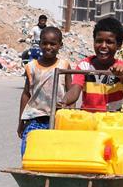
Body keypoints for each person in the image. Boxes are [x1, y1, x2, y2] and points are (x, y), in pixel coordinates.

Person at [17, 26, 80, 155]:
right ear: (39, 43)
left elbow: (71, 91)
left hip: (59, 118)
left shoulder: (64, 66)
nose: (48, 47)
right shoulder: (31, 67)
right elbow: (26, 94)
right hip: (36, 118)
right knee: (29, 151)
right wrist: (21, 121)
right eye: (44, 43)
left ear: (60, 45)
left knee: (55, 153)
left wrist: (71, 115)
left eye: (53, 44)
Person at [71, 17, 123, 112]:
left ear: (118, 45)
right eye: (99, 41)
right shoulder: (84, 66)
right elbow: (75, 89)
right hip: (87, 120)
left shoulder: (121, 68)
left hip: (112, 121)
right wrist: (64, 101)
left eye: (109, 42)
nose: (103, 46)